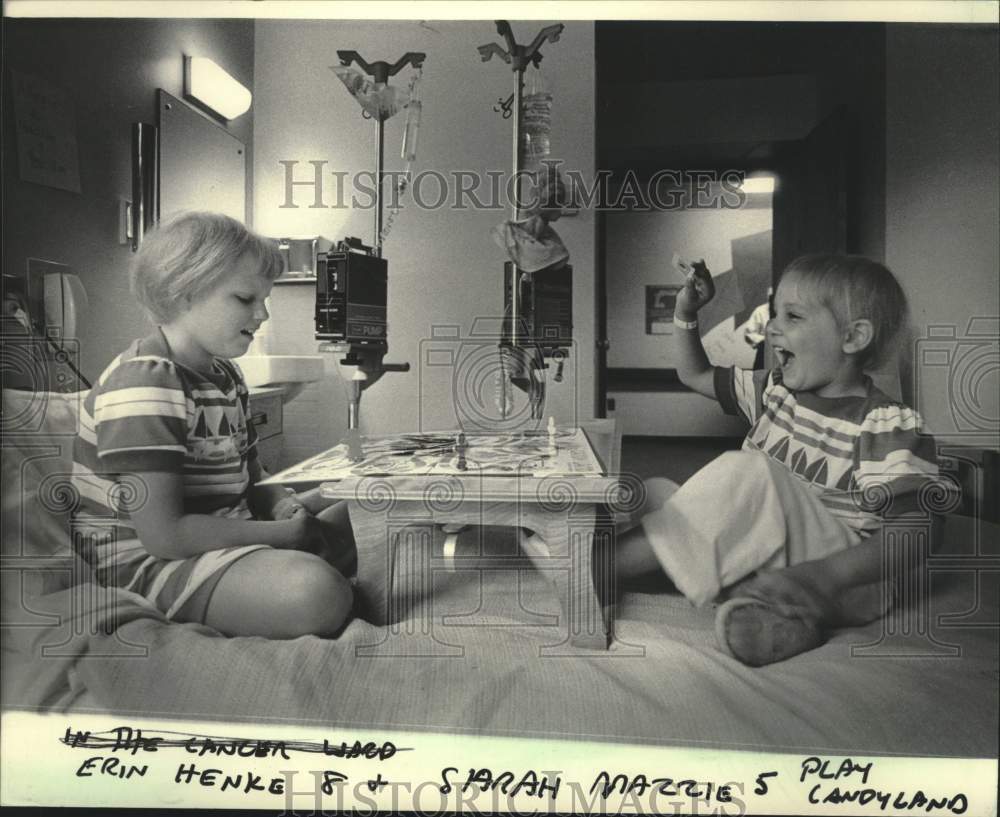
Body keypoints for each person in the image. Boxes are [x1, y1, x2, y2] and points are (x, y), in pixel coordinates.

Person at [611, 253, 950, 666]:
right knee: (658, 493)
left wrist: (827, 576)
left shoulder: (885, 424)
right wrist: (685, 313)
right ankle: (784, 618)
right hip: (774, 556)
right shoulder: (774, 391)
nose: (772, 326)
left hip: (847, 579)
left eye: (792, 316)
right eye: (775, 313)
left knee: (747, 472)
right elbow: (694, 374)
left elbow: (920, 527)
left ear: (853, 338)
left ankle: (605, 564)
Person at [71, 212, 355, 638]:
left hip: (220, 537)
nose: (262, 314)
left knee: (370, 516)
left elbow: (251, 475)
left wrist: (282, 505)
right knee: (316, 593)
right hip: (151, 564)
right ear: (182, 292)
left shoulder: (226, 377)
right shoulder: (145, 382)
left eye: (265, 298)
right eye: (245, 299)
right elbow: (164, 535)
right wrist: (281, 535)